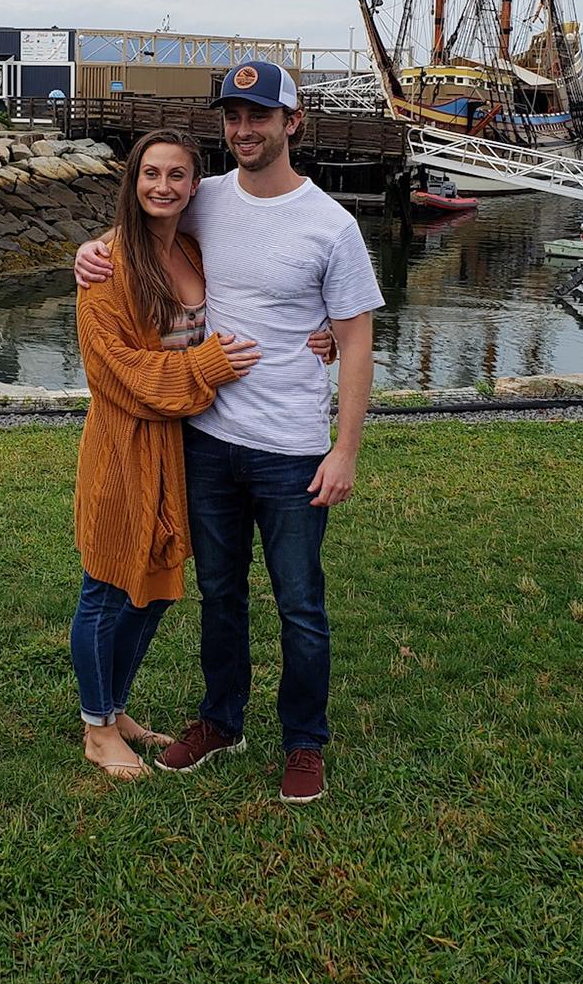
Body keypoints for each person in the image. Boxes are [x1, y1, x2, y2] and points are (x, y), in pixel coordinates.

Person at [76, 60, 383, 804]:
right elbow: (140, 226)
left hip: (291, 448)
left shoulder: (332, 226)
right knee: (219, 594)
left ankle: (303, 742)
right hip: (206, 440)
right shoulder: (205, 198)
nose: (244, 129)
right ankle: (220, 721)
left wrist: (345, 449)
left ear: (292, 122)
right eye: (234, 116)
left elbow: (357, 338)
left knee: (300, 604)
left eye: (260, 116)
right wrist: (85, 251)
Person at [72, 132, 260, 780]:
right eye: (150, 173)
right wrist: (205, 366)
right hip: (125, 445)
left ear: (194, 185)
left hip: (184, 445)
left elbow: (258, 299)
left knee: (154, 588)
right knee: (106, 586)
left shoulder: (191, 248)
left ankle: (115, 708)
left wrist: (323, 332)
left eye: (176, 175)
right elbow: (114, 371)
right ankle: (97, 730)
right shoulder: (108, 264)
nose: (162, 186)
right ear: (133, 180)